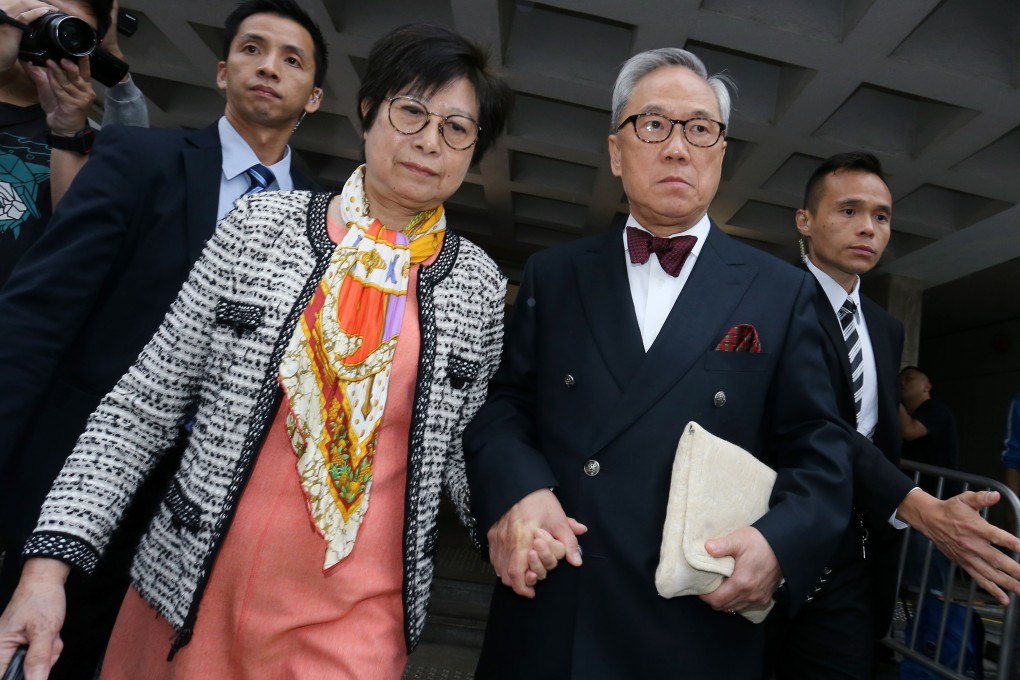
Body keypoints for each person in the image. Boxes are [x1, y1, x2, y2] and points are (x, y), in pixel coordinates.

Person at [0, 21, 511, 680]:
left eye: (456, 128)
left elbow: (468, 455)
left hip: (357, 619)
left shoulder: (478, 286)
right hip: (183, 596)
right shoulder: (260, 226)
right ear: (368, 112)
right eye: (410, 111)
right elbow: (140, 409)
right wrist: (47, 569)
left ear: (474, 151)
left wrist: (524, 512)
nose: (427, 142)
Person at [463, 46, 863, 679]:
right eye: (653, 125)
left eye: (700, 129)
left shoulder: (780, 293)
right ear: (617, 152)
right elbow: (505, 406)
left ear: (721, 153)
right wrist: (521, 490)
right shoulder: (555, 274)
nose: (678, 148)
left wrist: (778, 545)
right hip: (556, 611)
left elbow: (824, 450)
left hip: (696, 626)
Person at [0, 0, 324, 676]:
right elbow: (42, 311)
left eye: (291, 59)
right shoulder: (137, 157)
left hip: (204, 523)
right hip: (74, 475)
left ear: (315, 96)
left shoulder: (328, 224)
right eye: (252, 49)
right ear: (220, 71)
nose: (268, 67)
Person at [766, 152, 1020, 678]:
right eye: (849, 211)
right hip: (773, 536)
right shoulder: (767, 300)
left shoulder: (885, 328)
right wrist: (920, 506)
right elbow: (818, 423)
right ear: (804, 221)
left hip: (859, 552)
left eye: (881, 216)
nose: (868, 228)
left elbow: (880, 440)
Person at [0, 0, 147, 285]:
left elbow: (86, 244)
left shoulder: (77, 144)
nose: (55, 38)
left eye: (72, 33)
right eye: (46, 18)